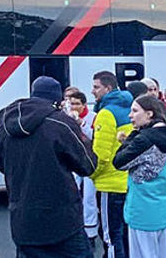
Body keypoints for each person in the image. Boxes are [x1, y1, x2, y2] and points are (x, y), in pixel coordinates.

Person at [0, 77, 97, 257]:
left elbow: (3, 166)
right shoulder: (61, 123)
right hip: (62, 219)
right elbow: (87, 165)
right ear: (57, 100)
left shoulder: (4, 125)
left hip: (23, 218)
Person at [112, 93, 166, 258]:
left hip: (142, 209)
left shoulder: (144, 139)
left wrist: (132, 137)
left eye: (135, 111)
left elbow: (118, 162)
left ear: (149, 114)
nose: (130, 115)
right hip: (163, 206)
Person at [89, 70, 132, 258]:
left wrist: (91, 174)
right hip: (127, 181)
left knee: (110, 237)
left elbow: (101, 155)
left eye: (96, 87)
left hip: (109, 183)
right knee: (124, 235)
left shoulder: (106, 113)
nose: (92, 91)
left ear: (107, 88)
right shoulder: (130, 107)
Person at [64, 87, 100, 246]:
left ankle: (91, 233)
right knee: (72, 194)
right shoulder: (64, 117)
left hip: (89, 160)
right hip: (72, 160)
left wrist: (81, 123)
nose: (73, 107)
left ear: (84, 105)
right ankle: (74, 228)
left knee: (89, 197)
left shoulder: (93, 117)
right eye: (71, 103)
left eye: (77, 104)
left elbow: (95, 137)